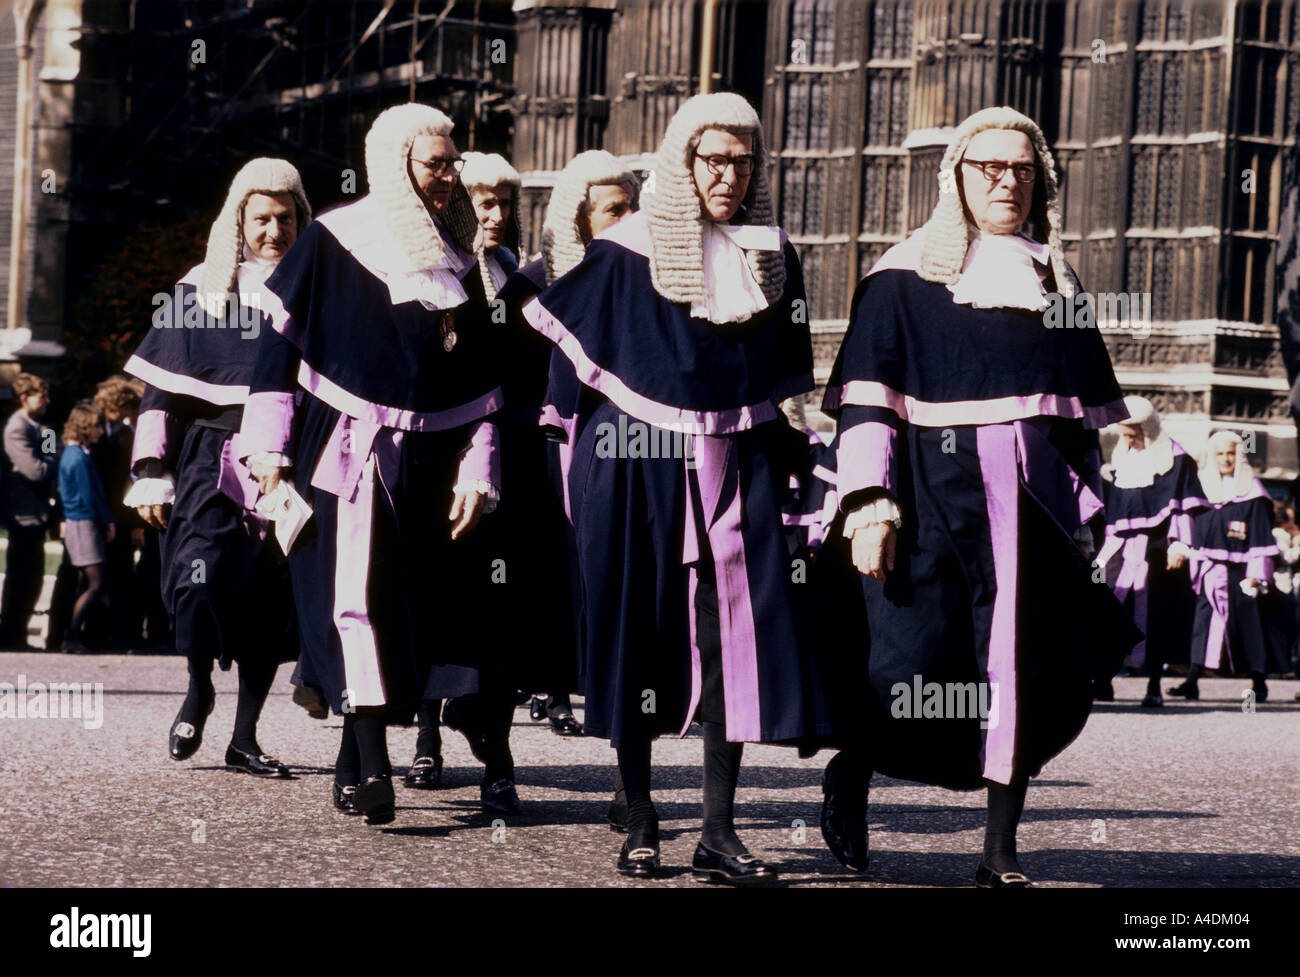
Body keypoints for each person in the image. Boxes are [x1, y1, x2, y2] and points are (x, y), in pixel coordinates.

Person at [819, 106, 1140, 887]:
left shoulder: (1055, 283)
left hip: (1028, 517)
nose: (1008, 181)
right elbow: (868, 402)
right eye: (990, 167)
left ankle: (999, 847)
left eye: (1023, 169)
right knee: (906, 669)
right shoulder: (900, 278)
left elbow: (1077, 419)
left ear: (1043, 182)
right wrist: (868, 500)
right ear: (955, 178)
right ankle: (853, 769)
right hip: (928, 505)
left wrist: (1082, 511)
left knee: (1021, 674)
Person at [523, 93, 831, 884]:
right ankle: (642, 810)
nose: (729, 175)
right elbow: (572, 381)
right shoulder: (623, 253)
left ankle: (719, 831)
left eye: (743, 161)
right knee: (640, 632)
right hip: (635, 466)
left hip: (738, 459)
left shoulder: (771, 254)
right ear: (683, 162)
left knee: (736, 642)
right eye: (714, 160)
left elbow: (774, 374)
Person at [238, 105, 501, 826]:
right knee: (353, 601)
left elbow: (479, 385)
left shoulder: (460, 258)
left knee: (404, 608)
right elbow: (276, 353)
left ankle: (354, 763)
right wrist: (268, 450)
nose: (450, 178)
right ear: (395, 166)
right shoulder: (331, 240)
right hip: (344, 447)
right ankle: (376, 766)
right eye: (436, 164)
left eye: (453, 163)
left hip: (430, 455)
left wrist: (478, 467)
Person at [124, 158, 307, 777]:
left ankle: (245, 736)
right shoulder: (201, 286)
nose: (273, 231)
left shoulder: (317, 290)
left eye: (285, 219)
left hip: (289, 458)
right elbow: (160, 389)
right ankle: (198, 685)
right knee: (197, 580)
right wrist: (150, 467)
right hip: (209, 453)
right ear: (239, 221)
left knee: (269, 599)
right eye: (261, 219)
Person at [400, 151, 528, 802]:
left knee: (496, 621)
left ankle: (497, 756)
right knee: (434, 606)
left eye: (506, 201)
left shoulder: (518, 280)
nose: (497, 214)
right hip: (444, 463)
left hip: (516, 466)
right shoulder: (435, 277)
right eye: (484, 201)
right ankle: (426, 738)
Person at [500, 149, 639, 744]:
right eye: (613, 209)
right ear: (579, 218)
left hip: (617, 445)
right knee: (550, 570)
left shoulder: (643, 276)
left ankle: (592, 688)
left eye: (632, 205)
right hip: (542, 447)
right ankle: (546, 688)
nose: (628, 216)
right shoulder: (532, 285)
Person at [1096, 396, 1207, 706]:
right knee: (1114, 611)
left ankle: (1154, 686)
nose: (1129, 440)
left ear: (1148, 428)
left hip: (1158, 549)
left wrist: (1179, 545)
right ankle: (1103, 680)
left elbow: (1182, 509)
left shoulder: (1177, 460)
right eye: (1125, 434)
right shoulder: (1122, 461)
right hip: (1122, 548)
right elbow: (1116, 514)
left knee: (1157, 616)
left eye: (1134, 433)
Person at [1169, 431, 1284, 702]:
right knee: (1202, 624)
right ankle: (1192, 680)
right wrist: (1182, 548)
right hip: (1208, 571)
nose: (1225, 459)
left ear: (1240, 456)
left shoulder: (1253, 493)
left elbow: (1260, 536)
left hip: (1241, 573)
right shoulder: (1200, 490)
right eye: (1219, 453)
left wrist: (1256, 576)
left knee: (1249, 625)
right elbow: (1188, 523)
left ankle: (1259, 681)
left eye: (1231, 453)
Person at [0, 373, 57, 648]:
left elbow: (48, 460)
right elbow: (35, 470)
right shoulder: (16, 428)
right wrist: (52, 460)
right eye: (41, 396)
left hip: (38, 513)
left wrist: (50, 459)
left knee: (33, 576)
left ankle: (18, 631)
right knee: (20, 576)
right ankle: (12, 632)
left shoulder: (43, 427)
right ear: (24, 398)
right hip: (22, 514)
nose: (47, 401)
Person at [57, 402, 115, 653]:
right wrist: (107, 522)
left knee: (85, 583)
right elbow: (89, 496)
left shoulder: (76, 454)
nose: (100, 431)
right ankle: (71, 635)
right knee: (95, 584)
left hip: (80, 522)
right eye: (96, 426)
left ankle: (72, 633)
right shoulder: (78, 457)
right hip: (83, 523)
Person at [92, 377, 143, 649]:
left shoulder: (118, 434)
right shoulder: (112, 435)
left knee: (119, 575)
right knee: (113, 576)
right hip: (110, 513)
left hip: (116, 515)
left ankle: (116, 634)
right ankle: (110, 634)